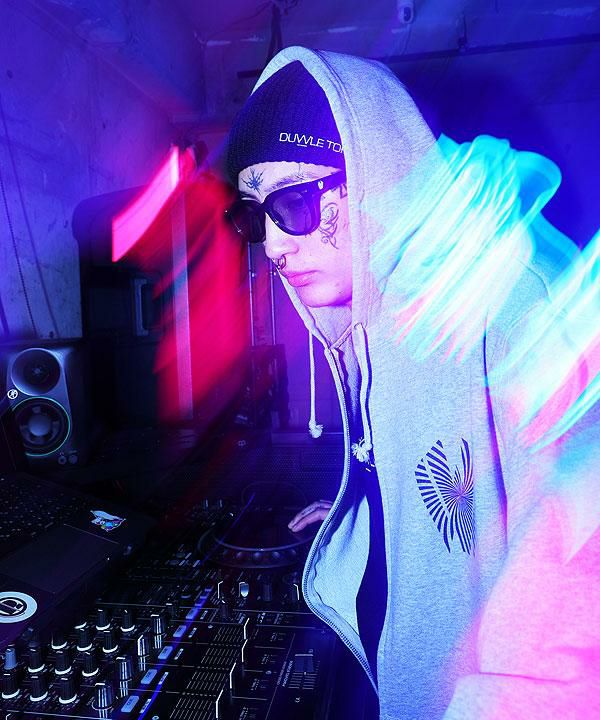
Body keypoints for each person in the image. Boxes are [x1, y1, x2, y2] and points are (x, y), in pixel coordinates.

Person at [224, 47, 599, 719]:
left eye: (294, 204)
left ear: (374, 172)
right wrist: (373, 511)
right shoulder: (378, 301)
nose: (272, 246)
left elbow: (579, 604)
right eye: (254, 217)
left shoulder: (522, 306)